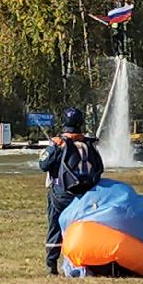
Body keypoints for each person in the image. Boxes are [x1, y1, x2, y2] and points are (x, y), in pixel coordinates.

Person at [38, 107, 104, 275]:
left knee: (55, 227)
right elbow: (100, 168)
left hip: (61, 195)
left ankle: (51, 265)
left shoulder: (58, 143)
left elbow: (43, 165)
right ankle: (87, 262)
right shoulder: (89, 144)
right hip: (86, 196)